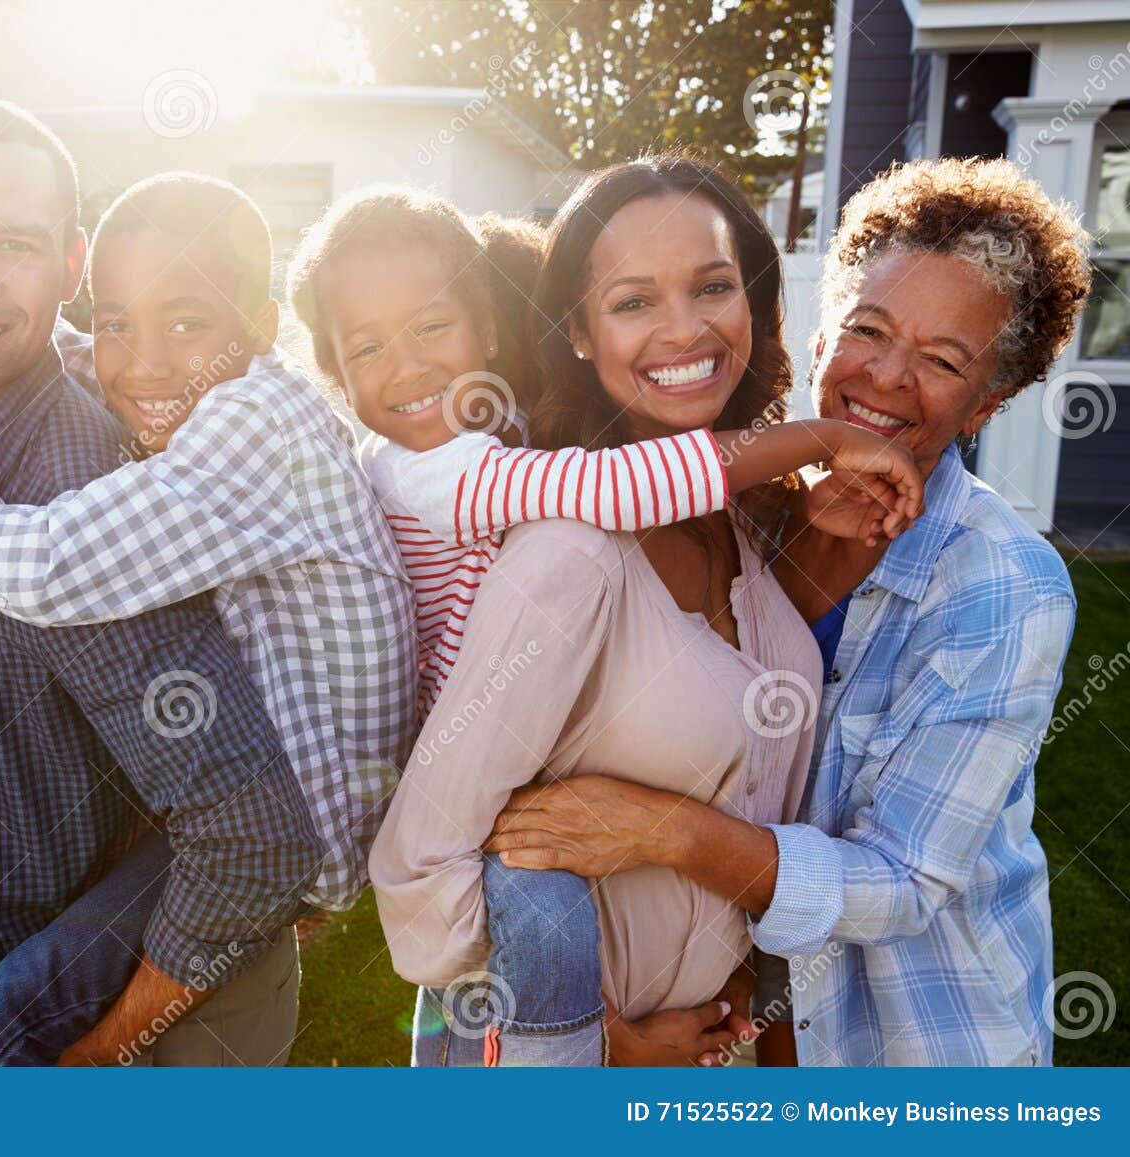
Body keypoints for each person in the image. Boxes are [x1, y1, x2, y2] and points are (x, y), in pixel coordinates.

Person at [286, 184, 925, 1066]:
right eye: (632, 301)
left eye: (711, 286)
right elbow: (421, 865)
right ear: (578, 332)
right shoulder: (559, 539)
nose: (683, 329)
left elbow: (724, 716)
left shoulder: (735, 523)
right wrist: (588, 1029)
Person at [485, 157, 1090, 1067]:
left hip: (913, 1040)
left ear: (988, 402)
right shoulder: (736, 513)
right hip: (716, 1014)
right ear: (817, 339)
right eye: (868, 330)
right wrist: (589, 1024)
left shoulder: (1002, 587)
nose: (886, 378)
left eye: (942, 361)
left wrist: (664, 831)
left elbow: (902, 884)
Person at [0, 103, 322, 1067]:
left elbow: (255, 830)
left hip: (164, 1007)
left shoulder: (84, 497)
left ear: (71, 266)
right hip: (40, 957)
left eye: (14, 243)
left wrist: (106, 1050)